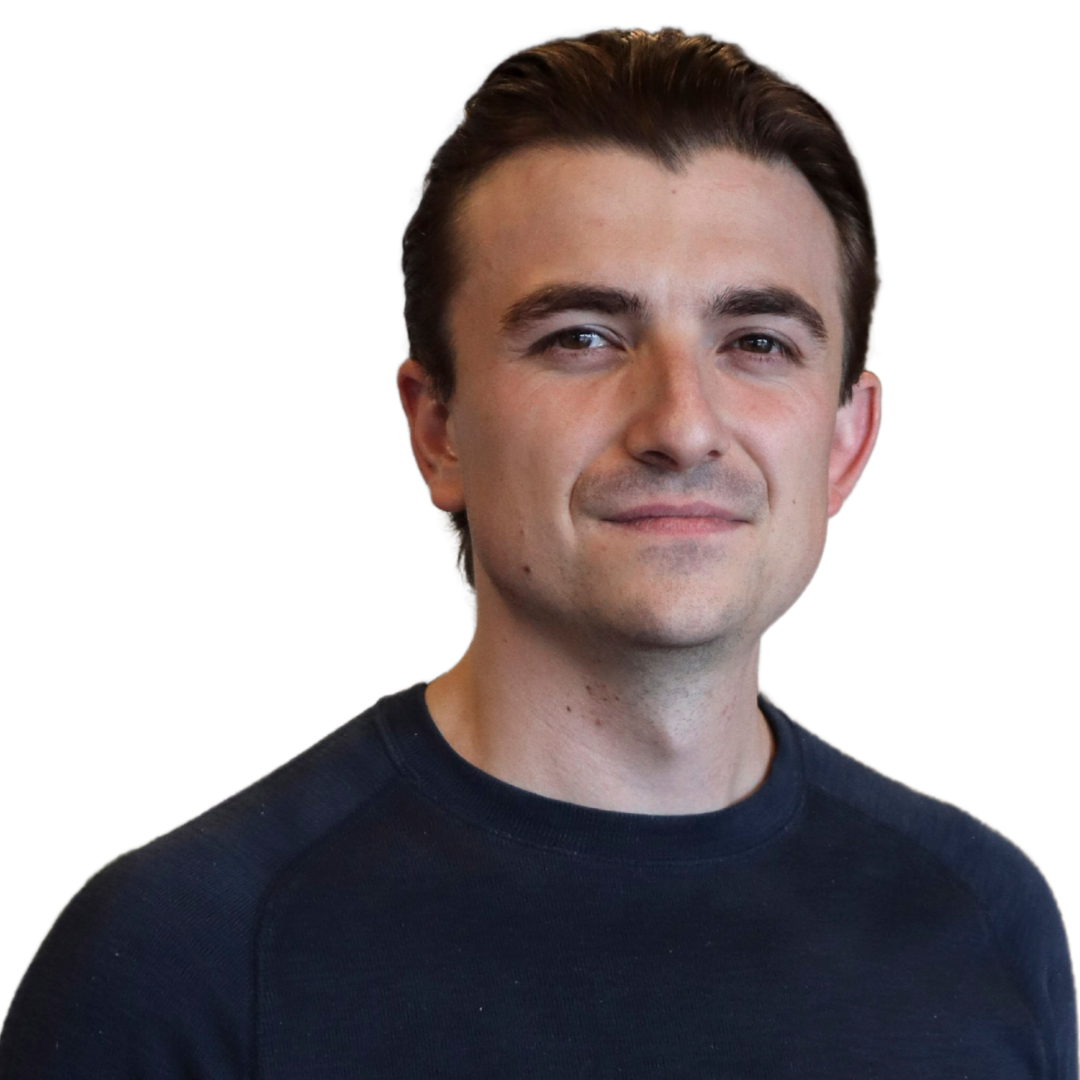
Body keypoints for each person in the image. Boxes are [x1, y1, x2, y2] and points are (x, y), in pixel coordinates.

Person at [1, 25, 1075, 1078]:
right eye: (583, 338)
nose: (682, 424)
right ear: (439, 430)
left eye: (757, 342)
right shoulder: (183, 962)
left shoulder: (981, 922)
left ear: (845, 441)